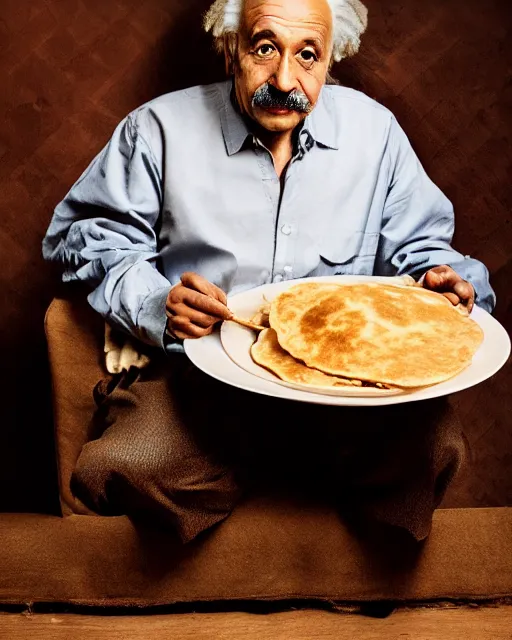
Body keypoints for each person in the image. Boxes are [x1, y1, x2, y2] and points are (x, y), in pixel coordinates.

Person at [42, 0, 495, 544]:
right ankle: (275, 487)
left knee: (435, 446)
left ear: (332, 58)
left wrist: (443, 282)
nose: (285, 79)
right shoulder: (157, 128)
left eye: (308, 55)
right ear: (231, 47)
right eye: (264, 48)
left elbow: (422, 253)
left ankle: (287, 496)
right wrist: (155, 302)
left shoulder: (377, 136)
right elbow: (82, 238)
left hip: (343, 399)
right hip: (202, 391)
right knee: (118, 465)